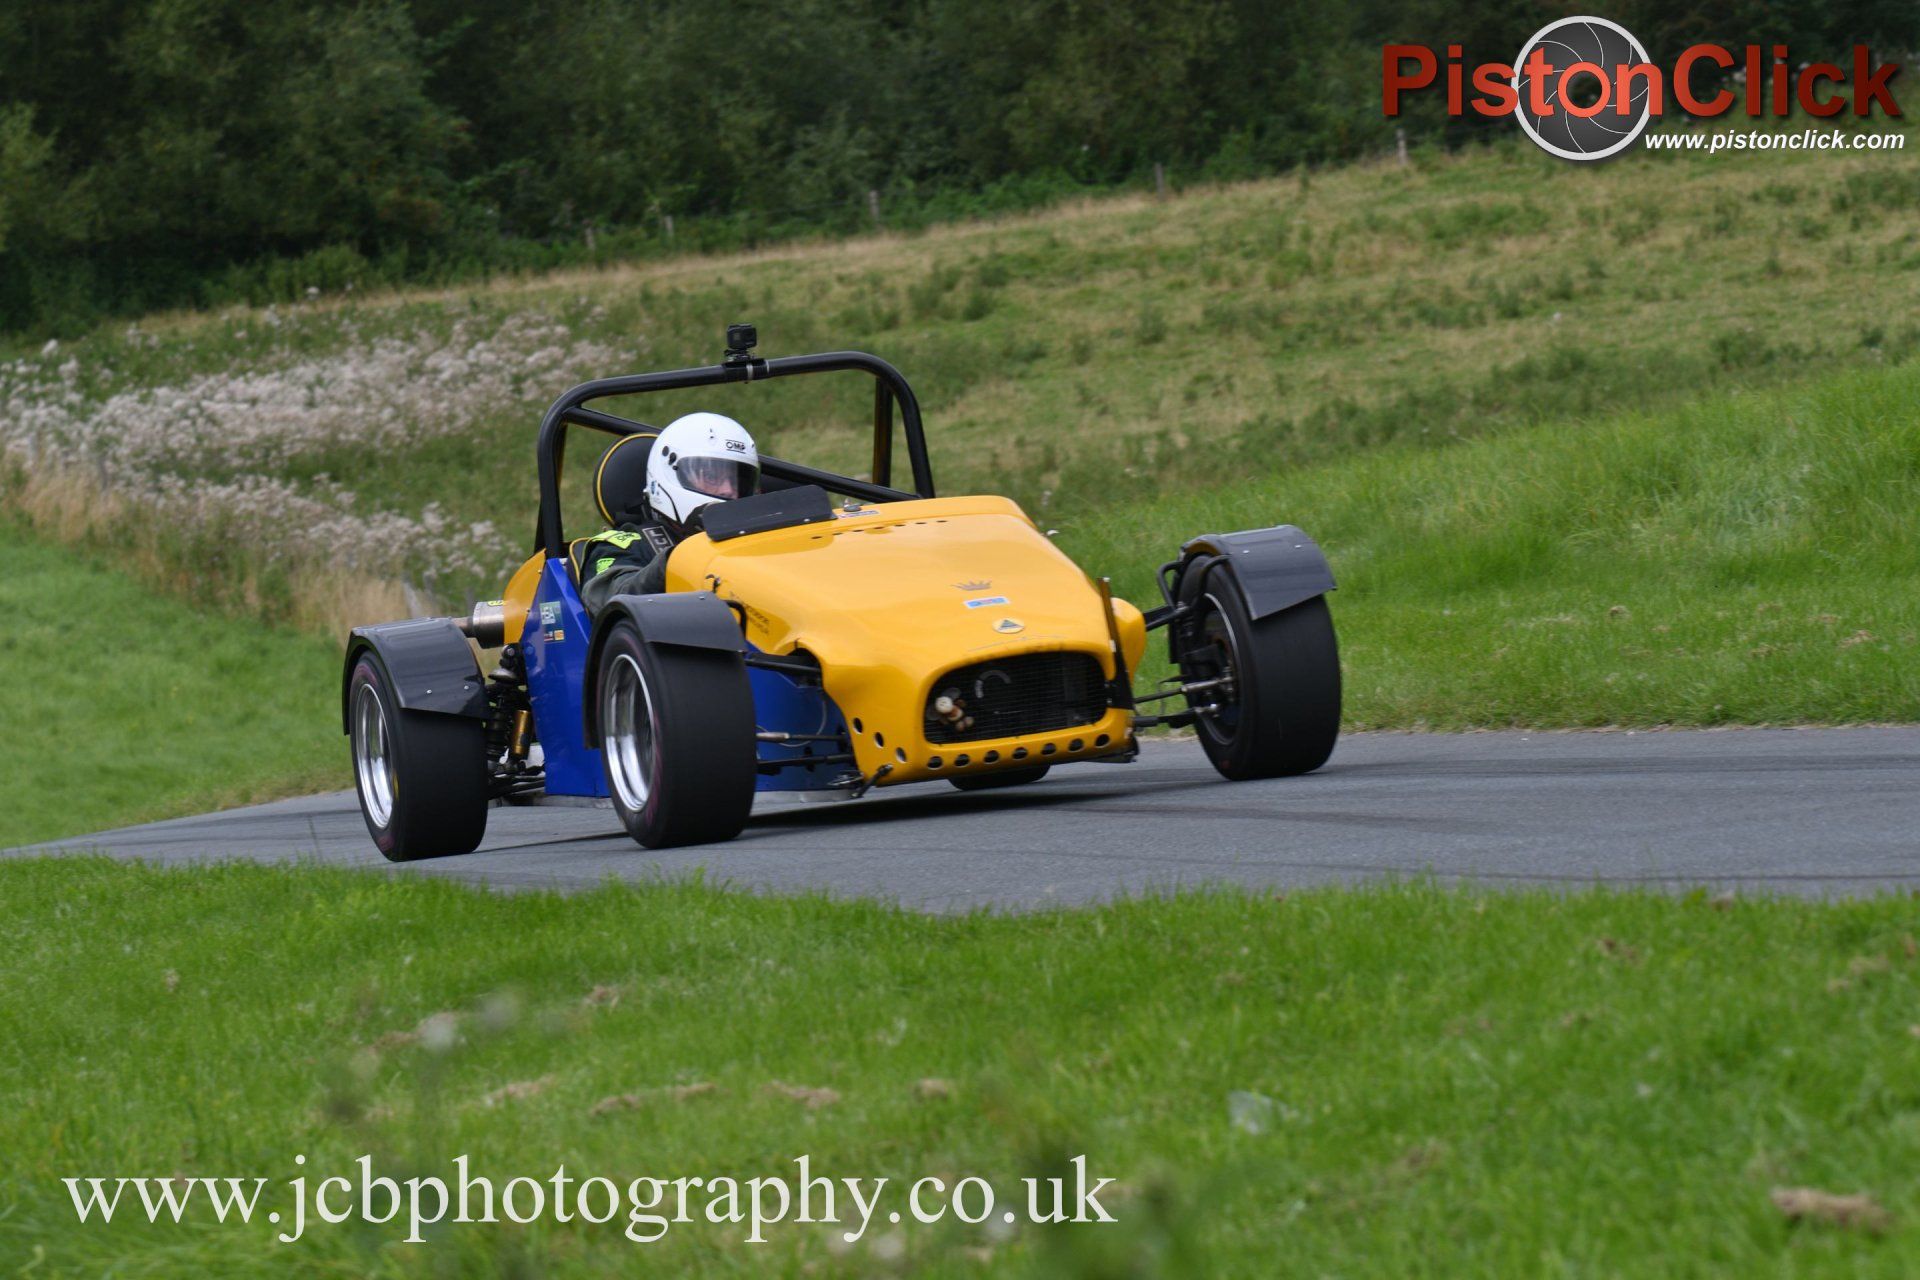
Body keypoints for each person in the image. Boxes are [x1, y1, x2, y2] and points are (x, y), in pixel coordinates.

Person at [579, 412, 759, 613]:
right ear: (668, 473)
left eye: (737, 481)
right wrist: (679, 560)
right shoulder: (624, 545)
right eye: (710, 476)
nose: (728, 490)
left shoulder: (755, 540)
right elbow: (610, 597)